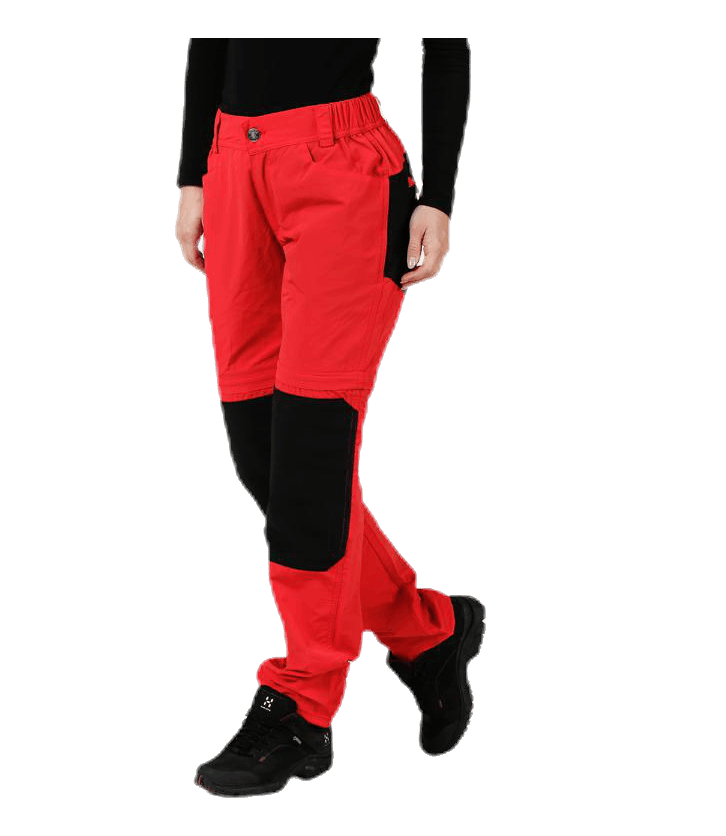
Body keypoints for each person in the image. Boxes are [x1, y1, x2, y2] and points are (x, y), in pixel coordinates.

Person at [175, 38, 484, 799]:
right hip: (233, 165)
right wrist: (192, 175)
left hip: (343, 173)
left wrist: (439, 195)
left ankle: (303, 704)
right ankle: (429, 632)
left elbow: (446, 49)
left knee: (310, 457)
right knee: (264, 459)